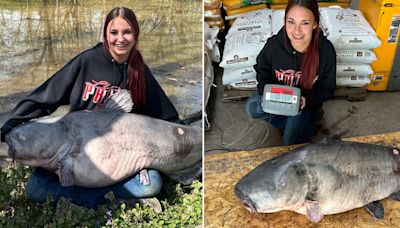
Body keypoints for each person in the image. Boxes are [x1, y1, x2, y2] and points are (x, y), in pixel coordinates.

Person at [0, 7, 182, 209]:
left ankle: (88, 198)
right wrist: (10, 125)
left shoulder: (140, 72)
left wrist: (185, 135)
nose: (120, 39)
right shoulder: (86, 61)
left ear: (136, 35)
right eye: (114, 33)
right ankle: (111, 199)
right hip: (74, 152)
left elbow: (167, 116)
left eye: (127, 32)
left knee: (151, 185)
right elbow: (45, 97)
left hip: (119, 161)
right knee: (35, 189)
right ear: (105, 34)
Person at [245, 0, 336, 145]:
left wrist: (308, 100)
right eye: (291, 22)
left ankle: (308, 119)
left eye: (305, 23)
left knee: (290, 142)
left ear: (315, 23)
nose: (297, 31)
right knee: (252, 107)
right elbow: (262, 70)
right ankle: (294, 124)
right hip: (279, 95)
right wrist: (267, 92)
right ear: (285, 21)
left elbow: (328, 86)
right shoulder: (274, 45)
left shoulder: (325, 51)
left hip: (304, 104)